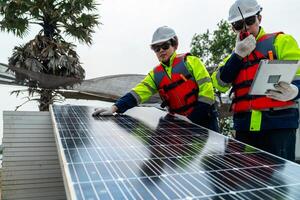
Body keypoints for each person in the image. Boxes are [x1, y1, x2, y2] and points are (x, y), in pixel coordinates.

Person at [211, 0, 300, 161]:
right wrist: (237, 56)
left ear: (259, 18)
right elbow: (220, 83)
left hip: (279, 126)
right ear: (233, 28)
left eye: (250, 21)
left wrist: (296, 91)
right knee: (247, 180)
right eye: (238, 25)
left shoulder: (282, 42)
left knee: (280, 182)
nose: (245, 28)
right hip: (245, 128)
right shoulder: (233, 56)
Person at [93, 26, 219, 131]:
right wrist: (114, 108)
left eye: (165, 46)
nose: (161, 51)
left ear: (175, 44)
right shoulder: (155, 74)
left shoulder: (191, 62)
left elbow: (207, 93)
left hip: (205, 122)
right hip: (179, 127)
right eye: (156, 48)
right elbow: (138, 93)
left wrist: (192, 120)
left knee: (211, 161)